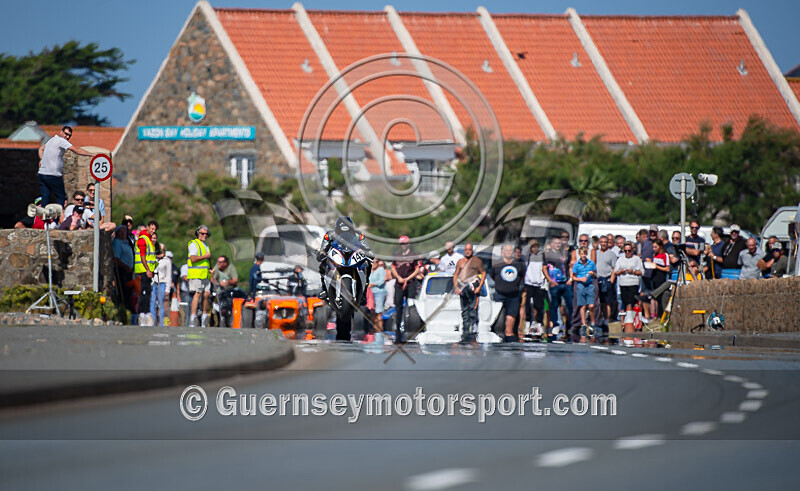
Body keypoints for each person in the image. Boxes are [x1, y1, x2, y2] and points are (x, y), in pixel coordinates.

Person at [317, 217, 373, 302]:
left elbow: (366, 246)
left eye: (348, 231)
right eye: (341, 231)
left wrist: (369, 253)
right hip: (338, 255)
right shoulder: (329, 235)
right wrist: (321, 253)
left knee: (367, 264)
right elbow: (323, 247)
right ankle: (324, 289)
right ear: (337, 229)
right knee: (323, 264)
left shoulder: (359, 235)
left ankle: (363, 291)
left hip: (352, 256)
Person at [37, 126, 95, 207]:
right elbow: (76, 150)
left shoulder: (52, 140)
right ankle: (57, 218)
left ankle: (43, 215)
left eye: (69, 135)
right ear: (61, 132)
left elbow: (41, 149)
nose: (67, 137)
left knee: (46, 196)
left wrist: (42, 160)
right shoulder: (61, 140)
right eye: (66, 134)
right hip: (53, 175)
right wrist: (92, 154)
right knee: (61, 197)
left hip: (41, 174)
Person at [489, 244, 525, 342]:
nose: (509, 252)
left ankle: (509, 334)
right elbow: (493, 276)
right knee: (498, 317)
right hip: (500, 294)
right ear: (502, 252)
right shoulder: (497, 264)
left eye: (510, 251)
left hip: (513, 295)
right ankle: (498, 334)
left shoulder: (519, 264)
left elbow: (522, 276)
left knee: (511, 315)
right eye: (506, 250)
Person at [453, 243, 485, 343]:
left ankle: (474, 332)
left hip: (473, 288)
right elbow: (456, 274)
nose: (468, 251)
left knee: (473, 311)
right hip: (463, 288)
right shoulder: (460, 262)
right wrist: (455, 287)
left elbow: (483, 273)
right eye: (466, 249)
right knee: (464, 311)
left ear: (472, 250)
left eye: (469, 249)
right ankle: (465, 331)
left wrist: (480, 287)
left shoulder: (477, 261)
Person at [391, 236, 421, 343]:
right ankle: (398, 330)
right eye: (402, 243)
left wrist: (407, 278)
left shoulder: (414, 255)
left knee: (410, 305)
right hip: (399, 284)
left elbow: (417, 269)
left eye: (405, 243)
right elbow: (393, 268)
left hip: (410, 283)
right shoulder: (397, 255)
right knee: (398, 307)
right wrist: (399, 278)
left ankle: (410, 327)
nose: (403, 245)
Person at [543, 236, 573, 339]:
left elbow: (569, 267)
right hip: (554, 284)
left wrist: (570, 279)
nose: (558, 245)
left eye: (559, 243)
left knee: (569, 305)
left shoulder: (565, 254)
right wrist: (550, 280)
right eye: (555, 243)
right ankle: (555, 325)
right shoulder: (547, 255)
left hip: (565, 283)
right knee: (554, 305)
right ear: (552, 244)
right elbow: (544, 268)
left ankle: (570, 326)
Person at [611, 242, 643, 333]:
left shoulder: (636, 259)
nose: (627, 252)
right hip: (623, 283)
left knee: (631, 303)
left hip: (633, 282)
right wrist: (621, 271)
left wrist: (632, 271)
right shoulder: (620, 259)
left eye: (629, 251)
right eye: (626, 251)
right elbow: (615, 272)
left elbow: (641, 272)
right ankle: (626, 321)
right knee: (625, 303)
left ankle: (630, 322)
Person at [133, 220, 158, 325]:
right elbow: (143, 255)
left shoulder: (149, 240)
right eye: (152, 228)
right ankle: (143, 314)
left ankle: (147, 312)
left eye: (155, 229)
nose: (153, 231)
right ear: (147, 227)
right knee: (143, 292)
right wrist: (147, 269)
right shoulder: (143, 239)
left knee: (147, 292)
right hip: (143, 270)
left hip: (149, 271)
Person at [188, 224, 212, 327]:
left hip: (205, 274)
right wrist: (204, 256)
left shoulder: (206, 245)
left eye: (206, 234)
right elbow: (193, 259)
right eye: (202, 233)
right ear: (198, 233)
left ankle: (204, 316)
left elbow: (208, 259)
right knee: (197, 294)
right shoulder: (194, 244)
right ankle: (193, 318)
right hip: (196, 274)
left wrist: (211, 268)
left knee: (206, 295)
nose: (204, 235)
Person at [572, 245, 597, 342]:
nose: (583, 255)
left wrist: (592, 273)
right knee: (582, 306)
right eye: (582, 254)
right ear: (579, 254)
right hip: (581, 285)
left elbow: (595, 274)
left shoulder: (591, 263)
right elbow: (573, 277)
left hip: (589, 285)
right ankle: (583, 324)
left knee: (591, 306)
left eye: (585, 254)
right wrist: (580, 279)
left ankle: (593, 323)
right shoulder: (576, 265)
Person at [523, 240, 547, 335]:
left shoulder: (542, 256)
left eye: (536, 246)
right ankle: (528, 323)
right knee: (528, 305)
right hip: (529, 283)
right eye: (533, 247)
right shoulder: (528, 256)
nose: (535, 249)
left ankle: (539, 324)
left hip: (539, 284)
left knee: (539, 305)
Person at [595, 235, 618, 330]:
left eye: (605, 242)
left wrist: (612, 279)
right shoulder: (596, 253)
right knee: (600, 301)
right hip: (598, 279)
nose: (603, 244)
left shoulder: (611, 254)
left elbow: (614, 268)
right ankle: (602, 317)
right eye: (602, 242)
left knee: (608, 301)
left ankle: (607, 319)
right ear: (600, 243)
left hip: (607, 279)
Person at [112, 225, 135, 315]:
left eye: (124, 232)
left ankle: (127, 309)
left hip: (128, 271)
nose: (123, 234)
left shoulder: (125, 242)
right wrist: (126, 267)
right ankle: (123, 309)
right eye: (121, 232)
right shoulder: (117, 243)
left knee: (128, 291)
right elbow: (116, 259)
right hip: (122, 270)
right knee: (123, 291)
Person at [152, 248, 172, 326]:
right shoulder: (153, 259)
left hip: (162, 283)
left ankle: (161, 323)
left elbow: (168, 275)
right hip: (154, 283)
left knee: (161, 303)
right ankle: (153, 322)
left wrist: (168, 288)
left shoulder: (166, 261)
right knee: (153, 302)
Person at [650, 239, 670, 316]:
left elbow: (667, 268)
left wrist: (657, 266)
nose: (654, 249)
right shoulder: (655, 255)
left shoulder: (665, 255)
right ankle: (656, 314)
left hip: (661, 277)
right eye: (653, 247)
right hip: (654, 276)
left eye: (656, 247)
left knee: (660, 296)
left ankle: (661, 314)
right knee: (655, 298)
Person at [368, 260, 388, 332]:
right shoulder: (369, 270)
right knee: (372, 311)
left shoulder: (380, 270)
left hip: (379, 292)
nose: (374, 263)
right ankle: (374, 327)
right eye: (372, 262)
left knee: (378, 311)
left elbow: (382, 281)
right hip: (370, 293)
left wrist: (373, 284)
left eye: (376, 262)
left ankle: (379, 328)